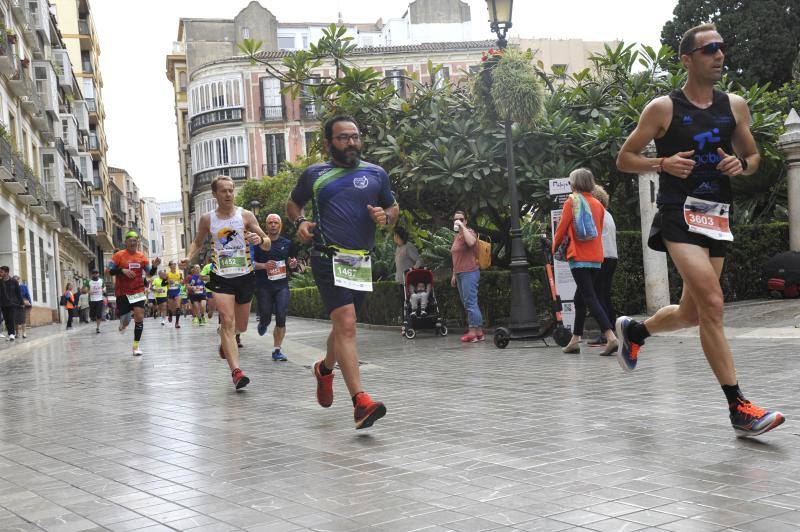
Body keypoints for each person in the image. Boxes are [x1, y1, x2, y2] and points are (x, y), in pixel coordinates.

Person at [615, 23, 784, 438]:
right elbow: (625, 158)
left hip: (717, 215)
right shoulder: (663, 109)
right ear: (687, 59)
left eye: (722, 48)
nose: (719, 55)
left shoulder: (735, 106)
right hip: (679, 213)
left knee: (693, 312)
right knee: (713, 301)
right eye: (709, 49)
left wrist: (740, 165)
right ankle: (738, 407)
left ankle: (636, 330)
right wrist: (661, 163)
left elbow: (753, 156)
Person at [287, 115, 397, 429]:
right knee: (347, 324)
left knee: (344, 327)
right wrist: (300, 223)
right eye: (343, 138)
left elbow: (392, 208)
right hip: (326, 256)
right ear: (327, 143)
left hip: (360, 261)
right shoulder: (315, 175)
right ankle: (360, 402)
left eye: (355, 136)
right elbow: (293, 205)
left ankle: (324, 369)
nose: (351, 143)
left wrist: (384, 216)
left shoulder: (376, 174)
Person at [182, 175, 270, 390]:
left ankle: (226, 339)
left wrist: (261, 240)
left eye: (231, 190)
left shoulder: (246, 216)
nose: (229, 194)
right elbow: (197, 242)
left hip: (245, 275)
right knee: (228, 321)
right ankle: (236, 372)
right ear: (215, 195)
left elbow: (267, 242)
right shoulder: (208, 219)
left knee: (240, 326)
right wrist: (189, 257)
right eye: (223, 191)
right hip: (221, 276)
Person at [552, 169, 618, 355]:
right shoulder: (598, 204)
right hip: (596, 257)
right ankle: (575, 339)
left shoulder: (571, 202)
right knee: (579, 299)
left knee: (589, 297)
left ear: (574, 184)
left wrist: (554, 249)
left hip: (578, 256)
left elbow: (561, 230)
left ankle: (610, 336)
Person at [253, 213, 298, 361]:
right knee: (266, 315)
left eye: (276, 222)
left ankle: (277, 350)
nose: (273, 225)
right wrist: (264, 266)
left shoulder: (287, 243)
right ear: (266, 226)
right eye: (270, 222)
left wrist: (292, 265)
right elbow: (250, 264)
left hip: (281, 285)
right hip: (263, 286)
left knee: (281, 315)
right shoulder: (259, 243)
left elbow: (291, 263)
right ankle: (263, 322)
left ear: (280, 225)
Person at [109, 231, 161, 356]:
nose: (133, 243)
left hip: (137, 290)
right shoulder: (118, 256)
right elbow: (109, 271)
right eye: (130, 241)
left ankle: (136, 346)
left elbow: (149, 274)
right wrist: (122, 270)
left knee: (139, 316)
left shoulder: (142, 257)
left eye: (135, 241)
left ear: (137, 243)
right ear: (125, 242)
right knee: (126, 320)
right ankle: (123, 324)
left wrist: (154, 267)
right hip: (122, 292)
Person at [588, 185, 618, 347]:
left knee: (598, 297)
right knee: (604, 296)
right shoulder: (608, 215)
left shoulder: (597, 214)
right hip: (612, 256)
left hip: (601, 258)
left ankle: (605, 334)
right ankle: (611, 330)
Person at [450, 211, 484, 343]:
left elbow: (471, 243)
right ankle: (479, 332)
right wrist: (454, 274)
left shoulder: (469, 232)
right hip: (459, 273)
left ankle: (472, 331)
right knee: (469, 303)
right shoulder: (457, 237)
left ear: (466, 221)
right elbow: (455, 257)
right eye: (455, 219)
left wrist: (463, 227)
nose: (457, 221)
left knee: (470, 303)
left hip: (469, 272)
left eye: (461, 219)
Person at [0, 267, 22, 340]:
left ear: (6, 273)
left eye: (1, 272)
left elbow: (18, 292)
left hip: (13, 303)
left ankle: (12, 334)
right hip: (3, 303)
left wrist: (21, 302)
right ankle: (10, 334)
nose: (0, 273)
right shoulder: (0, 281)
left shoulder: (14, 281)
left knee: (11, 318)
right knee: (6, 319)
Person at [165, 261, 184, 328]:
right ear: (170, 266)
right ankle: (170, 315)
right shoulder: (167, 274)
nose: (174, 265)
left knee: (178, 307)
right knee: (171, 309)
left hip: (177, 291)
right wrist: (168, 281)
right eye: (173, 264)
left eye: (175, 264)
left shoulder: (179, 273)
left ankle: (177, 323)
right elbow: (163, 283)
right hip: (170, 292)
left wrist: (181, 282)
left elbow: (182, 281)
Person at [88, 269, 106, 334]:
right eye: (94, 273)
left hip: (99, 300)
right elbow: (83, 289)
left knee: (99, 315)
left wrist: (104, 289)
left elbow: (104, 287)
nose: (95, 274)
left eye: (96, 273)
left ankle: (98, 328)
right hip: (92, 300)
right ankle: (94, 318)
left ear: (98, 274)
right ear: (92, 274)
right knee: (92, 316)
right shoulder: (89, 281)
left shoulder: (101, 280)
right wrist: (88, 291)